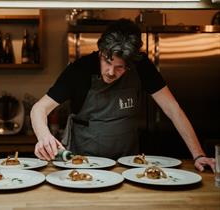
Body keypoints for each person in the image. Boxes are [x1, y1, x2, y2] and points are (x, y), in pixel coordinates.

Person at [30, 18, 215, 172]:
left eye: (120, 67)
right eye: (108, 62)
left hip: (128, 165)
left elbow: (173, 109)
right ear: (101, 51)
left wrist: (199, 155)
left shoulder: (142, 67)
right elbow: (39, 108)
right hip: (82, 163)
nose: (111, 72)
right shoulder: (80, 69)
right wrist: (44, 135)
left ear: (130, 63)